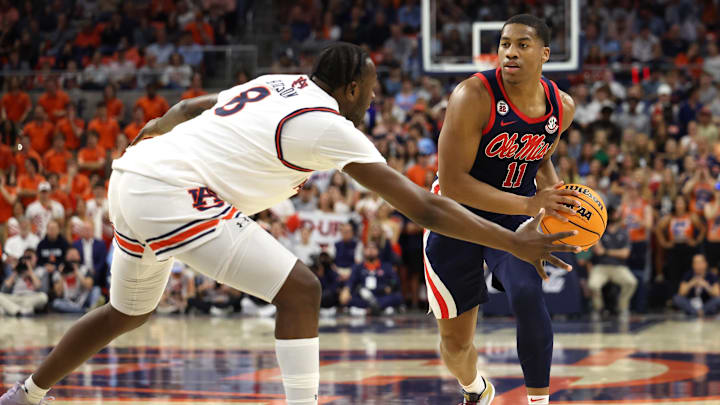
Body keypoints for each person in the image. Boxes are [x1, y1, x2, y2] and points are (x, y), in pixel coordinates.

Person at [0, 42, 577, 405]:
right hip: (172, 192)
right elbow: (424, 208)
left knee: (128, 310)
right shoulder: (333, 125)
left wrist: (153, 134)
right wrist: (513, 243)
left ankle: (26, 395)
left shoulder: (278, 83)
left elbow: (187, 108)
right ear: (350, 90)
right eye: (370, 92)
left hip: (132, 178)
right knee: (302, 290)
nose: (373, 102)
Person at [424, 15, 582, 405]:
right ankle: (474, 389)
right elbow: (455, 181)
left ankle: (539, 401)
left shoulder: (561, 107)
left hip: (514, 219)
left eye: (522, 44)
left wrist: (558, 199)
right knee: (457, 345)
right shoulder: (471, 96)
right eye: (505, 44)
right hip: (455, 215)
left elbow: (539, 157)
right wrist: (531, 202)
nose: (510, 52)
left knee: (528, 294)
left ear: (544, 54)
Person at [588, 206, 637, 320]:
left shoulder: (623, 232)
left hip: (618, 267)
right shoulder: (600, 230)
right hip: (601, 266)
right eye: (614, 213)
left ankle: (622, 307)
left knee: (631, 282)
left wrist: (606, 251)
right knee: (593, 285)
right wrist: (610, 252)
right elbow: (597, 250)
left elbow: (625, 254)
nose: (616, 216)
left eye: (617, 213)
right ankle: (598, 308)